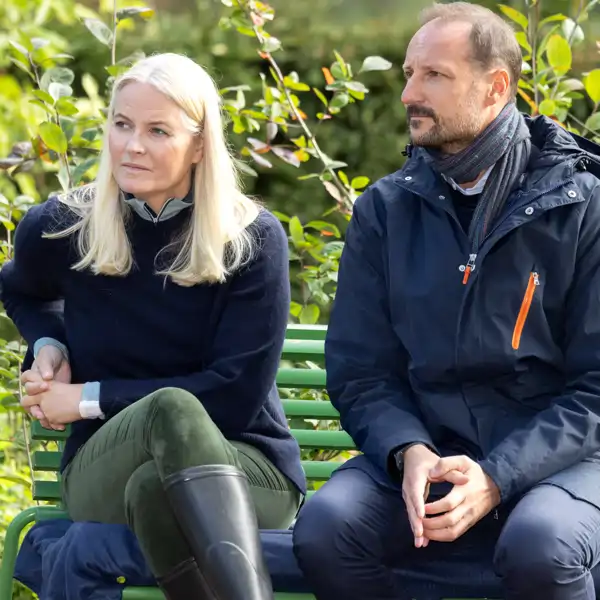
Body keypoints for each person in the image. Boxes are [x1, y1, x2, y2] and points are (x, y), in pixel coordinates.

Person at [292, 3, 600, 600]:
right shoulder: (384, 211)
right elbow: (360, 370)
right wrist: (406, 450)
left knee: (542, 545)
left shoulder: (582, 206)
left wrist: (498, 475)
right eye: (408, 73)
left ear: (495, 87)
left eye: (433, 75)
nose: (409, 92)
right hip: (428, 455)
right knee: (327, 532)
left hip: (562, 464)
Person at [0, 52, 305, 600]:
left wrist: (87, 398)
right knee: (161, 427)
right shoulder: (63, 226)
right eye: (121, 124)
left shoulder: (251, 240)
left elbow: (235, 397)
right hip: (104, 466)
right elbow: (19, 287)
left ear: (199, 145)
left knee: (160, 465)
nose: (131, 145)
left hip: (247, 468)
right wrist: (48, 339)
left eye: (157, 130)